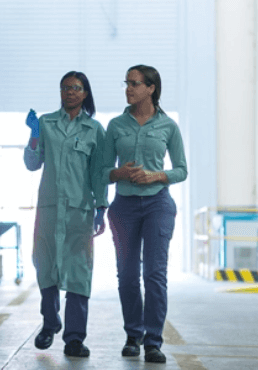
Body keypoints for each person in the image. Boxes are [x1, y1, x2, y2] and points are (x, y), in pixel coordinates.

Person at [102, 64, 187, 364]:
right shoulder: (115, 126)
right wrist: (118, 172)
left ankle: (153, 341)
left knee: (154, 274)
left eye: (135, 83)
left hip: (157, 206)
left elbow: (181, 170)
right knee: (126, 275)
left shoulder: (168, 126)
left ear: (151, 88)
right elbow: (101, 170)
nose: (128, 88)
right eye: (126, 83)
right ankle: (132, 335)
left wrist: (155, 176)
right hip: (124, 207)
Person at [24, 71, 108, 358]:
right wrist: (34, 135)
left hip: (79, 213)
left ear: (85, 93)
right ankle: (50, 324)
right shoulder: (46, 123)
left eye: (75, 88)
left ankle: (74, 338)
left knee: (79, 273)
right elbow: (32, 164)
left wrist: (101, 208)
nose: (69, 92)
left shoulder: (95, 130)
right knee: (45, 266)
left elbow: (99, 173)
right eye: (65, 88)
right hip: (49, 211)